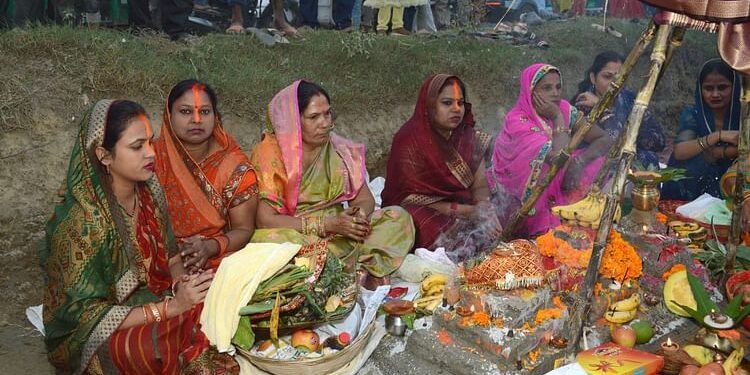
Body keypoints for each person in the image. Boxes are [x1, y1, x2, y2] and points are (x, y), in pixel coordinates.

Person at [40, 100, 236, 374]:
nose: (150, 154)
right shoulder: (81, 223)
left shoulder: (150, 190)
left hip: (152, 298)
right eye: (136, 147)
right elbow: (83, 315)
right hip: (91, 328)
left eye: (150, 142)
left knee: (218, 303)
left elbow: (170, 255)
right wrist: (169, 309)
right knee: (146, 350)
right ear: (104, 155)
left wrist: (181, 283)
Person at [250, 80, 414, 287]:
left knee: (398, 218)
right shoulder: (270, 152)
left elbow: (365, 199)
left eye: (327, 114)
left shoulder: (338, 148)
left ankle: (340, 268)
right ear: (293, 121)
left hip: (340, 231)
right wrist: (325, 225)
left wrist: (356, 219)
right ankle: (351, 268)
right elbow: (265, 220)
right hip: (297, 231)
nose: (325, 123)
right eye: (314, 117)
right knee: (270, 242)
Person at [382, 74, 500, 261]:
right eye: (447, 103)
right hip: (424, 209)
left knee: (504, 213)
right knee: (417, 222)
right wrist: (467, 212)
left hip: (464, 206)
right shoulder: (409, 140)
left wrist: (484, 208)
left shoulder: (469, 138)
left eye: (460, 103)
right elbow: (407, 199)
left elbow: (479, 187)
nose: (456, 109)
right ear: (429, 105)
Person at [488, 63, 612, 237]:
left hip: (561, 179)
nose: (555, 93)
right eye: (547, 88)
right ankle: (548, 229)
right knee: (548, 171)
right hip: (526, 197)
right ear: (530, 91)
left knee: (597, 161)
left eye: (558, 87)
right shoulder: (518, 121)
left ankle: (582, 216)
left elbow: (604, 139)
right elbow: (558, 161)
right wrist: (557, 118)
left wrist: (579, 163)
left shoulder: (563, 108)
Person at [154, 80, 258, 273]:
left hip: (217, 257)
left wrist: (210, 247)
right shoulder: (151, 158)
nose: (196, 120)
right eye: (185, 112)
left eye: (204, 112)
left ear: (215, 116)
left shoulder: (233, 167)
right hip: (158, 255)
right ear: (168, 115)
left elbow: (244, 230)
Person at [662, 59, 741, 201]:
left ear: (735, 87)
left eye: (722, 87)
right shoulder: (694, 113)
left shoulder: (744, 114)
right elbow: (680, 152)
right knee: (685, 165)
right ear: (700, 89)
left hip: (735, 173)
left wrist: (721, 152)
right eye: (709, 88)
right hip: (698, 175)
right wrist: (717, 136)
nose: (715, 94)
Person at [573, 50, 666, 169]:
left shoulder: (630, 99)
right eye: (607, 77)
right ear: (593, 78)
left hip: (630, 165)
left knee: (648, 158)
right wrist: (601, 109)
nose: (614, 83)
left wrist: (632, 136)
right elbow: (612, 145)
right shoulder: (582, 105)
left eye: (620, 77)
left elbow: (659, 142)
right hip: (596, 169)